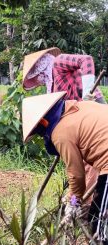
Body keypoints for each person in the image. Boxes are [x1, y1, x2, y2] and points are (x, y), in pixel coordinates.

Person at [22, 91, 108, 245]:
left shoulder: (60, 132)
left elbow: (76, 174)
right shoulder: (80, 107)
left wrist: (72, 202)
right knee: (95, 216)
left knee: (100, 228)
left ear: (43, 123)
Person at [22, 47, 105, 205]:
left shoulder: (58, 63)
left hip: (91, 113)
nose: (38, 80)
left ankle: (86, 208)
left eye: (36, 76)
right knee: (80, 165)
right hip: (74, 125)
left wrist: (86, 93)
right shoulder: (51, 87)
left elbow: (86, 60)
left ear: (40, 66)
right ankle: (84, 206)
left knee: (92, 165)